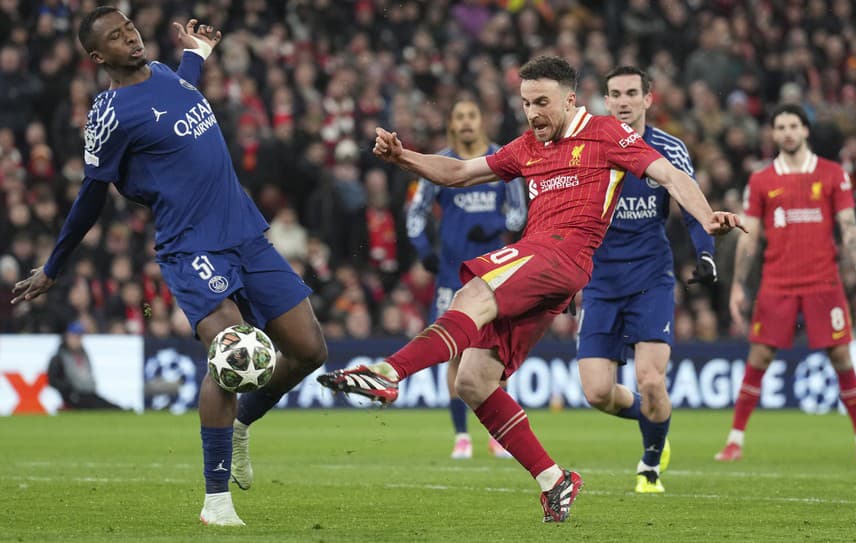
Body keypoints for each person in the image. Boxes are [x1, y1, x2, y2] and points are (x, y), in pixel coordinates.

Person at [317, 56, 744, 523]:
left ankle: (388, 372)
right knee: (473, 382)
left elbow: (670, 175)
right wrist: (403, 157)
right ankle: (553, 479)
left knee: (472, 295)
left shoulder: (605, 133)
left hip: (564, 253)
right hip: (546, 267)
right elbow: (458, 173)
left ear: (570, 100)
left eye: (542, 102)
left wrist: (706, 217)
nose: (532, 113)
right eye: (525, 103)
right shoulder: (526, 146)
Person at [11, 7, 328, 526]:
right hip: (192, 246)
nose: (130, 36)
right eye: (115, 37)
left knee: (310, 349)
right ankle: (216, 501)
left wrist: (196, 55)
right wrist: (55, 265)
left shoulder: (161, 72)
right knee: (229, 352)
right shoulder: (109, 113)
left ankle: (244, 423)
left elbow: (181, 93)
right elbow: (91, 194)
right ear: (98, 57)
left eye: (129, 27)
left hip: (244, 229)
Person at [715, 104, 856, 463]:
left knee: (841, 355)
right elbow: (749, 238)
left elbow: (849, 226)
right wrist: (737, 287)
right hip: (777, 282)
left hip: (823, 282)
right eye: (781, 127)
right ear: (774, 134)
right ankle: (734, 440)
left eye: (794, 125)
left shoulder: (831, 174)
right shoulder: (761, 180)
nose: (788, 132)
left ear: (805, 130)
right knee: (760, 355)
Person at [576, 66, 715, 494]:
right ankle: (657, 419)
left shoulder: (667, 148)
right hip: (599, 281)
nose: (623, 101)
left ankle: (650, 465)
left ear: (647, 99)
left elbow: (689, 201)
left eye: (631, 93)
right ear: (605, 99)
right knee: (598, 393)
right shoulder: (588, 147)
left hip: (651, 278)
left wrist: (705, 252)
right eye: (615, 93)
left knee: (651, 380)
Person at [407, 98, 527, 460]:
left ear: (482, 120)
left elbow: (519, 214)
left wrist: (492, 225)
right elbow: (416, 213)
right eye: (459, 116)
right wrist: (423, 249)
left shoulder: (501, 161)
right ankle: (462, 435)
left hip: (493, 273)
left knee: (495, 354)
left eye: (472, 114)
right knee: (454, 354)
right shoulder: (442, 163)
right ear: (452, 123)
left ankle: (496, 435)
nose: (466, 122)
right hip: (449, 274)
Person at [47, 321, 125, 410]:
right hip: (73, 395)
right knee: (98, 406)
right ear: (67, 337)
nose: (78, 340)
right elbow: (52, 380)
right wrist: (68, 390)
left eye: (79, 337)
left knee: (103, 404)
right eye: (75, 336)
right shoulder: (59, 357)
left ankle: (121, 410)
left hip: (88, 393)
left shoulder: (83, 354)